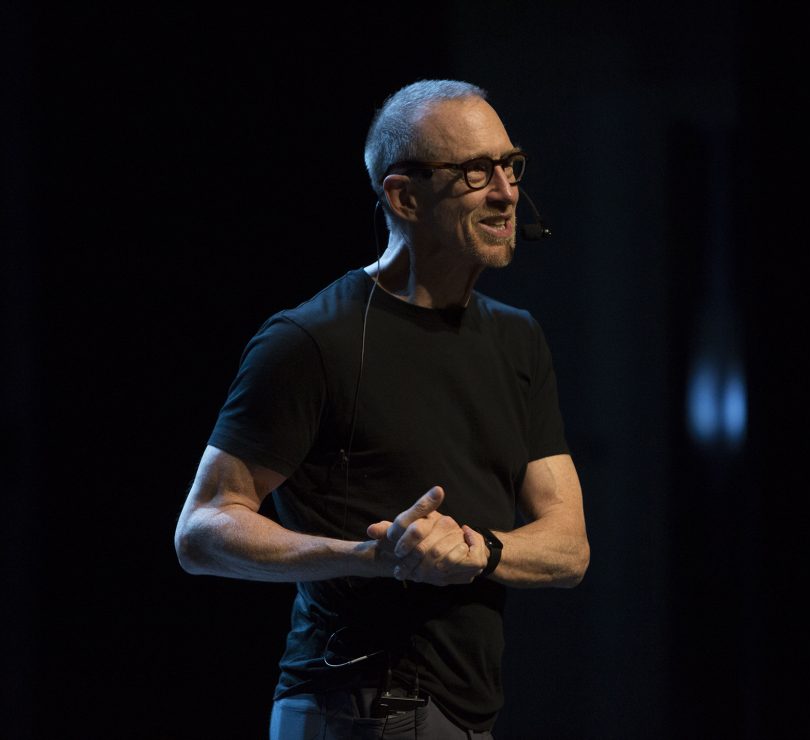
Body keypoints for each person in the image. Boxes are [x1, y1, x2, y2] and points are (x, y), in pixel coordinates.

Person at [173, 79, 590, 739]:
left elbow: (569, 548)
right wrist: (368, 556)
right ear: (403, 195)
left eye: (510, 165)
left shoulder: (518, 339)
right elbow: (201, 529)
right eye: (475, 172)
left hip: (466, 710)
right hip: (360, 703)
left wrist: (477, 549)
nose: (506, 192)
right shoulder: (311, 340)